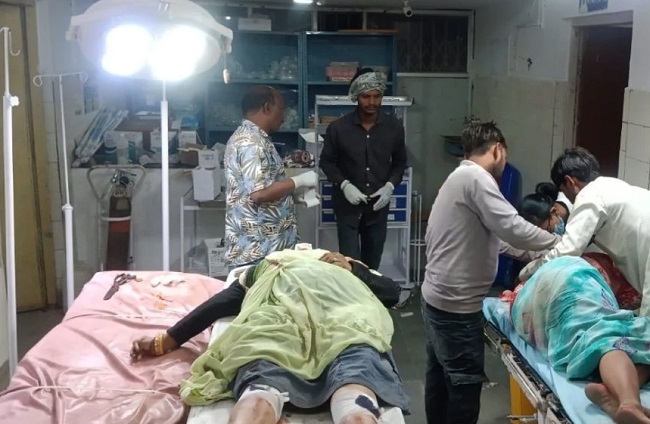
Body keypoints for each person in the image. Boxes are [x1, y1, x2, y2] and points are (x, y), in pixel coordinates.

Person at [131, 249, 409, 424]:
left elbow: (390, 293)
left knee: (265, 377)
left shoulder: (342, 265)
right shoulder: (270, 265)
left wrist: (354, 269)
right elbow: (222, 302)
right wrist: (165, 340)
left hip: (330, 318)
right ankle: (352, 406)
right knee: (350, 384)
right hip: (302, 322)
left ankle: (266, 398)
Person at [421, 121, 560, 424]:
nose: (505, 162)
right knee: (464, 385)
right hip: (455, 308)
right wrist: (560, 243)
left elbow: (498, 240)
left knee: (441, 378)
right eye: (505, 155)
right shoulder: (476, 178)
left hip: (437, 297)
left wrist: (541, 253)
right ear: (497, 149)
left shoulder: (460, 178)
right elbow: (511, 226)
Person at [510, 256, 650, 424]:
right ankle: (630, 402)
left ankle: (611, 396)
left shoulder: (527, 283)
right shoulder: (608, 271)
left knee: (606, 337)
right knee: (610, 336)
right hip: (573, 280)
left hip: (525, 311)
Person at [518, 147, 650, 316]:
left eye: (563, 191)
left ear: (569, 182)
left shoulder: (589, 195)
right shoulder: (612, 185)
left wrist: (529, 271)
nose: (568, 198)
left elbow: (567, 251)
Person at [319, 68, 407, 270]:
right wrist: (344, 185)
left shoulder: (393, 127)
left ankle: (371, 291)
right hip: (347, 209)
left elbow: (400, 162)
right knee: (349, 265)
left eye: (377, 96)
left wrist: (389, 186)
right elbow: (327, 162)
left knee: (372, 267)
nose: (372, 102)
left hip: (377, 209)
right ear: (356, 97)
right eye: (366, 97)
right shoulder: (338, 128)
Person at [224, 86, 319, 268]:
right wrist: (298, 181)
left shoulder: (256, 138)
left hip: (270, 247)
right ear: (267, 107)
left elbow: (261, 186)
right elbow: (259, 194)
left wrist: (290, 197)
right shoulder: (250, 142)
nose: (283, 117)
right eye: (281, 109)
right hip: (259, 250)